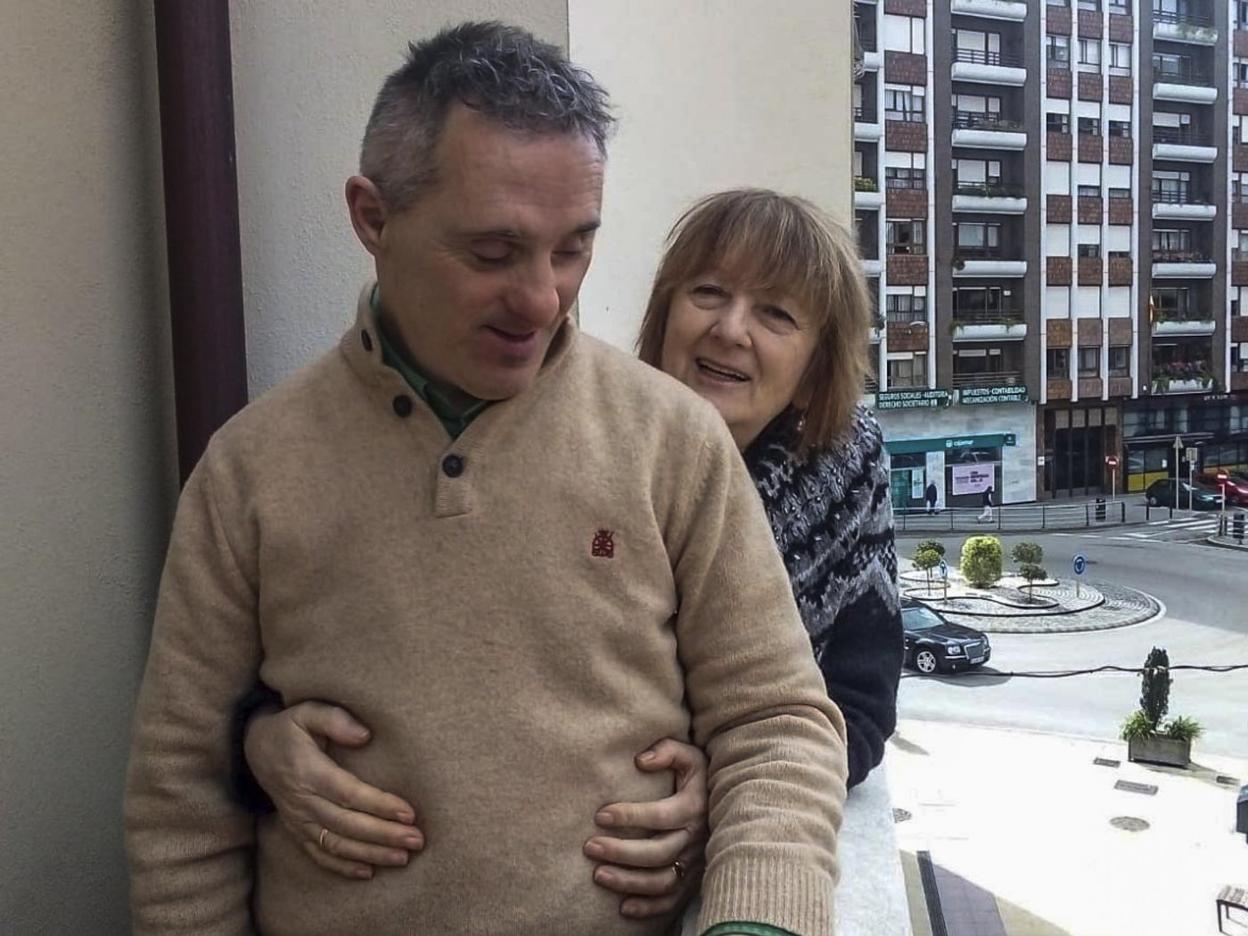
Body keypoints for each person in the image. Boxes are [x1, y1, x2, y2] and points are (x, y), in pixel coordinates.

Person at [123, 23, 846, 936]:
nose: (543, 297)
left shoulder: (673, 441)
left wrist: (754, 916)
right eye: (493, 254)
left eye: (574, 248)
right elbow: (181, 800)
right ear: (373, 217)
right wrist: (252, 746)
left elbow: (778, 723)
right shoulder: (250, 472)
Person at [235, 191, 902, 919]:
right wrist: (255, 738)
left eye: (776, 314)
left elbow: (850, 710)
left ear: (815, 365)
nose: (730, 329)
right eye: (708, 293)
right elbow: (439, 645)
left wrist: (732, 792)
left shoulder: (846, 471)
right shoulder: (582, 441)